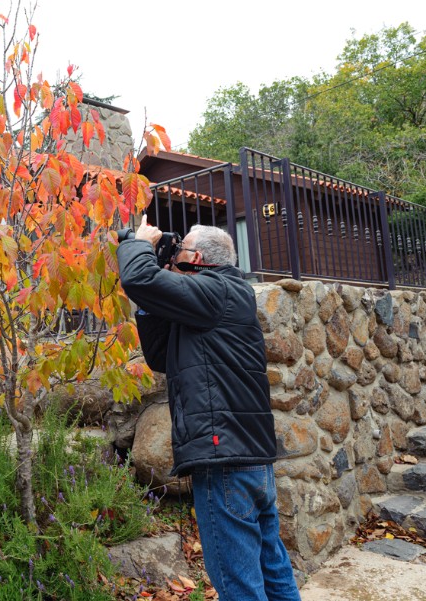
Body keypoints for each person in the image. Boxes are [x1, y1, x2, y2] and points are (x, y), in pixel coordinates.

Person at [116, 216, 301, 601]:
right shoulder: (225, 294)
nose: (174, 250)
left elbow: (137, 279)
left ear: (197, 257)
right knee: (272, 568)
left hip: (224, 460)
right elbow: (162, 356)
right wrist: (154, 302)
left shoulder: (213, 291)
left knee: (238, 586)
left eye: (180, 247)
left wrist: (139, 245)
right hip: (249, 457)